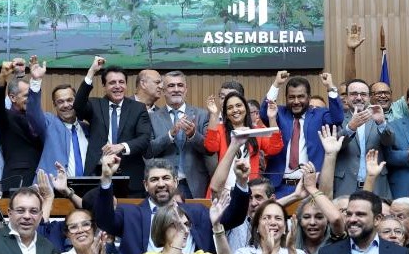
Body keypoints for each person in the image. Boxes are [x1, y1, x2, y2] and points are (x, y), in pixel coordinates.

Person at [74, 56, 151, 196]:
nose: (117, 86)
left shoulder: (138, 108)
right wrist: (91, 72)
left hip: (131, 177)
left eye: (121, 82)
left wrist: (122, 146)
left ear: (126, 85)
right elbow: (78, 106)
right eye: (112, 83)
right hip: (99, 174)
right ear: (104, 86)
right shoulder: (95, 105)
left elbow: (145, 138)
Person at [260, 71, 344, 197]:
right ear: (286, 97)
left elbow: (337, 118)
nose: (296, 101)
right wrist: (276, 84)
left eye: (300, 97)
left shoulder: (319, 114)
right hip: (279, 188)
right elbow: (264, 113)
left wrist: (330, 87)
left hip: (310, 187)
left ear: (309, 97)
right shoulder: (279, 113)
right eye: (291, 97)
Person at [147, 70, 212, 199]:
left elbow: (209, 149)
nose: (176, 89)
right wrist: (170, 134)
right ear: (164, 91)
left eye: (180, 85)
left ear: (186, 90)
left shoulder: (202, 115)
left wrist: (193, 134)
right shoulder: (152, 117)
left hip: (195, 184)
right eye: (171, 86)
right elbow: (149, 151)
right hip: (164, 184)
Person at [205, 91, 283, 190]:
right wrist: (213, 115)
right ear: (226, 114)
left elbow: (274, 148)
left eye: (238, 105)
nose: (235, 110)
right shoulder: (220, 129)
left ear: (246, 109)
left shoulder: (256, 131)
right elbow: (211, 147)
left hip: (249, 190)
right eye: (230, 108)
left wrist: (272, 118)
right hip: (223, 189)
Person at [335, 79, 392, 198]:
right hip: (346, 185)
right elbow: (334, 147)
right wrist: (351, 127)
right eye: (354, 94)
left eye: (363, 94)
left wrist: (381, 123)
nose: (359, 98)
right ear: (346, 98)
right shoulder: (338, 120)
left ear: (369, 97)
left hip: (377, 185)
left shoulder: (379, 117)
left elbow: (389, 142)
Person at [0, 60, 42, 189]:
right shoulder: (6, 118)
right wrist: (3, 77)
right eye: (26, 95)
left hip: (40, 179)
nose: (31, 99)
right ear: (13, 98)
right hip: (17, 180)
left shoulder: (39, 118)